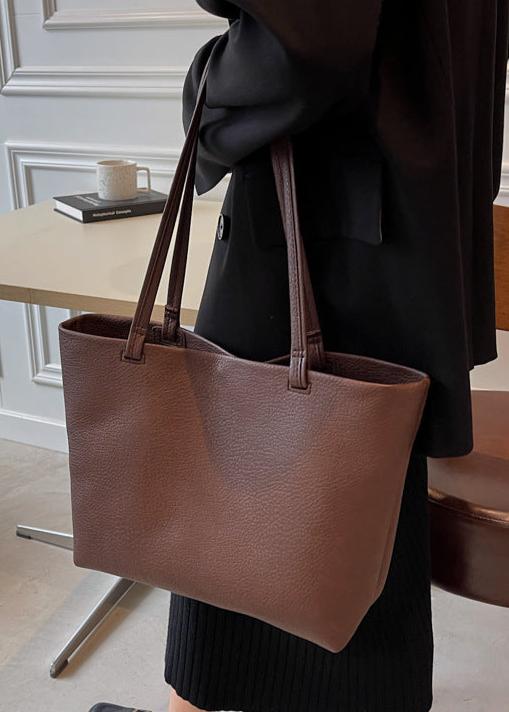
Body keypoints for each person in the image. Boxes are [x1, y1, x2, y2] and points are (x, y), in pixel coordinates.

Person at [89, 1, 509, 711]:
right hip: (395, 225)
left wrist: (206, 93)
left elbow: (307, 39)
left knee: (246, 487)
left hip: (325, 229)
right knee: (353, 513)